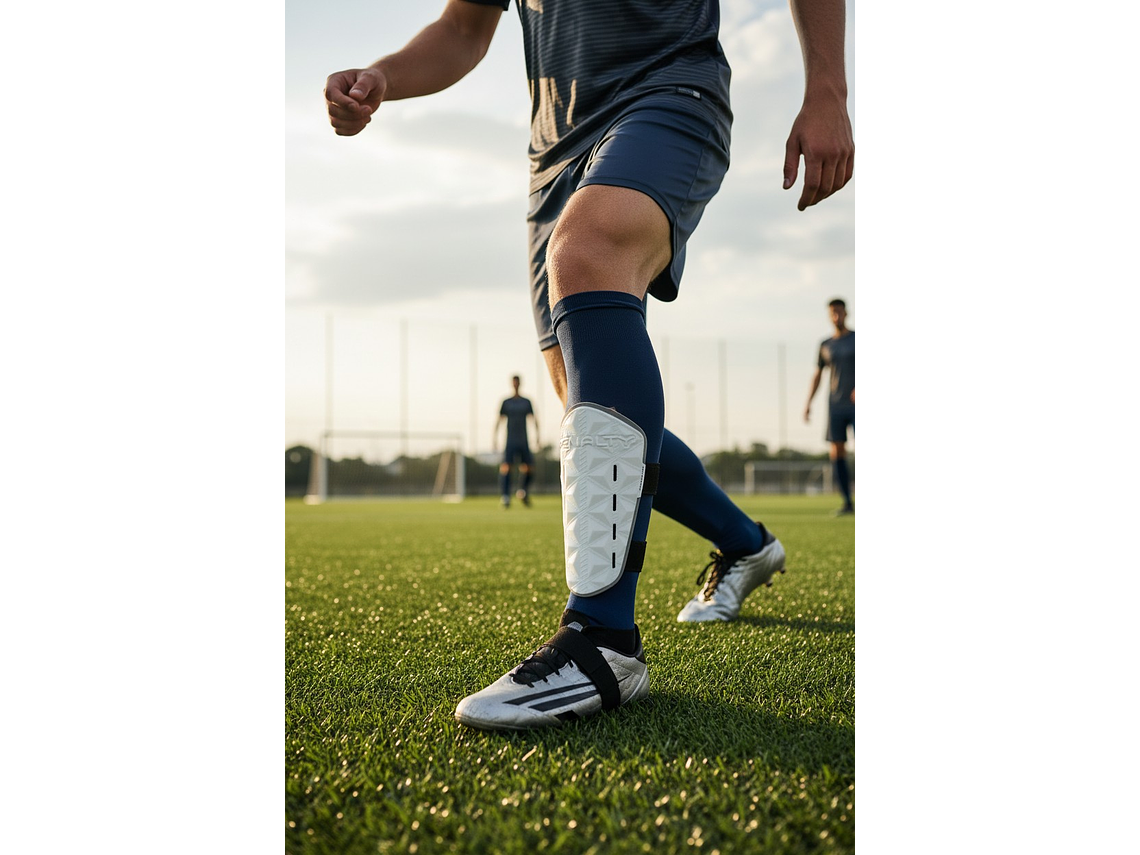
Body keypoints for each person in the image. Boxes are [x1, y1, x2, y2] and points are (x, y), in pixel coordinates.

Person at [325, 0, 854, 731]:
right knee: (591, 412)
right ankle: (746, 542)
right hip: (553, 157)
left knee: (591, 250)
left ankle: (603, 638)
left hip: (669, 90)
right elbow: (462, 29)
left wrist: (827, 87)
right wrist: (381, 75)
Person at [804, 298, 855, 515]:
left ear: (846, 313)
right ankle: (847, 502)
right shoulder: (825, 344)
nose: (836, 316)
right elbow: (818, 374)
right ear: (829, 315)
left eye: (840, 312)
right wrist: (808, 402)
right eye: (833, 313)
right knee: (837, 452)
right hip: (834, 405)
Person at [493, 374, 538, 508]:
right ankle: (505, 496)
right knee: (507, 467)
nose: (516, 384)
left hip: (523, 440)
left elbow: (533, 418)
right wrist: (494, 438)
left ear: (520, 383)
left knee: (529, 468)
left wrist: (537, 435)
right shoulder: (506, 402)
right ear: (512, 384)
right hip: (510, 440)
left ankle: (522, 490)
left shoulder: (526, 402)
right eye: (514, 382)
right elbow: (499, 420)